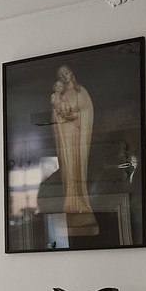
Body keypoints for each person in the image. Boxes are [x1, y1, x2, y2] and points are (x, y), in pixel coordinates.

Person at [48, 65, 99, 236]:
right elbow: (56, 114)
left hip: (78, 134)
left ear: (71, 73)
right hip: (67, 137)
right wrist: (61, 116)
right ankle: (69, 205)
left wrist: (76, 116)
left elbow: (86, 110)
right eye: (61, 74)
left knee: (78, 168)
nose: (65, 76)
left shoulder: (80, 91)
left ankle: (82, 205)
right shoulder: (60, 95)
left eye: (66, 72)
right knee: (68, 168)